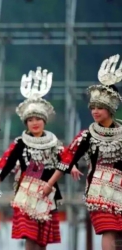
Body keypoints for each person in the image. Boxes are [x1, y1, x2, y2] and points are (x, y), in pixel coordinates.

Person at [43, 54, 122, 250]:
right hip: (100, 190)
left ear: (110, 109)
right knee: (109, 230)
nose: (95, 111)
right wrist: (50, 183)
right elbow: (67, 161)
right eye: (93, 107)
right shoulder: (87, 136)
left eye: (100, 108)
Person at [0, 67, 62, 250]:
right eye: (30, 120)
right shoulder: (20, 143)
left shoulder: (54, 143)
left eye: (38, 119)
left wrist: (73, 168)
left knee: (42, 241)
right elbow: (6, 165)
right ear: (26, 123)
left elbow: (66, 163)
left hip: (48, 194)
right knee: (30, 237)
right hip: (26, 194)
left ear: (44, 121)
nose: (35, 123)